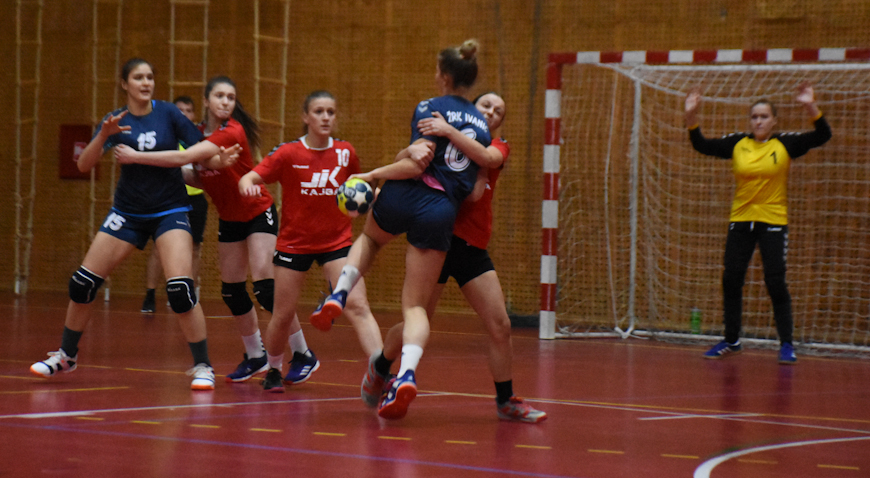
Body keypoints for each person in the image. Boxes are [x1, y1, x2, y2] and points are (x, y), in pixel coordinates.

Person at [309, 39, 492, 419]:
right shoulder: (483, 128)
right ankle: (406, 372)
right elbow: (475, 193)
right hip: (441, 210)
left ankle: (339, 293)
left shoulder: (430, 108)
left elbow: (416, 162)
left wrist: (372, 175)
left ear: (443, 76)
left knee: (370, 239)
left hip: (405, 193)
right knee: (415, 307)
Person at [29, 58, 234, 390]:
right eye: (138, 77)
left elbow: (198, 151)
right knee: (82, 284)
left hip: (169, 210)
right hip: (128, 212)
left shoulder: (169, 114)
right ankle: (66, 356)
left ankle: (202, 365)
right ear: (125, 84)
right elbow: (84, 165)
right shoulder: (116, 120)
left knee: (180, 291)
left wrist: (217, 161)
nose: (146, 82)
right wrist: (103, 135)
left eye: (150, 77)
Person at [116, 76, 313, 384]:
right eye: (220, 96)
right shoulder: (197, 134)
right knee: (232, 291)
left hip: (257, 211)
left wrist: (137, 157)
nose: (225, 102)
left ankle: (302, 353)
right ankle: (255, 355)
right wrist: (159, 173)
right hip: (229, 217)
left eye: (231, 97)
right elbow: (200, 176)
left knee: (266, 288)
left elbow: (184, 158)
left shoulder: (231, 131)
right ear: (206, 101)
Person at [364, 92, 546, 423]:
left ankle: (506, 400)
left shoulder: (496, 146)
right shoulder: (439, 136)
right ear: (470, 109)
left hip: (471, 245)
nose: (491, 112)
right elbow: (411, 162)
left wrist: (449, 131)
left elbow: (482, 174)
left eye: (499, 111)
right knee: (418, 320)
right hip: (437, 239)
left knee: (500, 325)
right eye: (486, 105)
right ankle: (382, 366)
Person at [238, 90, 384, 393]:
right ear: (306, 116)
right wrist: (247, 186)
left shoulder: (345, 152)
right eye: (319, 111)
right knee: (282, 314)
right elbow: (248, 178)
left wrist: (373, 197)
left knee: (358, 305)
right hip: (294, 244)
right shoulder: (288, 153)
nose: (326, 117)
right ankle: (274, 369)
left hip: (337, 243)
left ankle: (382, 373)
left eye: (331, 112)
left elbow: (360, 187)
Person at [684, 81, 832, 364]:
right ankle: (731, 340)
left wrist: (810, 106)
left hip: (773, 221)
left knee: (775, 281)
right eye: (754, 117)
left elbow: (823, 135)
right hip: (741, 220)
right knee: (731, 279)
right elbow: (701, 144)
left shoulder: (784, 143)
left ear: (774, 120)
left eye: (764, 116)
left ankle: (786, 344)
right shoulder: (739, 143)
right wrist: (691, 114)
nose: (759, 121)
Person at [140, 95, 209, 314]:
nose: (184, 114)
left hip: (195, 199)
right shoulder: (164, 136)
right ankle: (150, 294)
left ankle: (189, 292)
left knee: (195, 247)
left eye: (188, 111)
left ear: (194, 114)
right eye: (180, 110)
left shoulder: (197, 139)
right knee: (159, 247)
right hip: (170, 198)